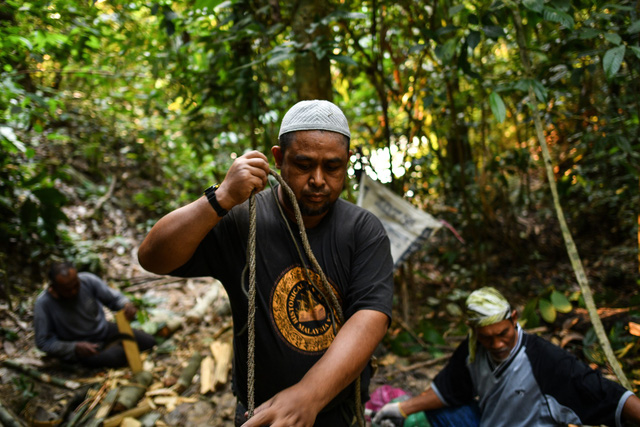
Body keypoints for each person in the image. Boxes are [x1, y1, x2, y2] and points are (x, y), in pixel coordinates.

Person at [138, 99, 394, 426]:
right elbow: (153, 257)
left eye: (332, 167)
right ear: (278, 158)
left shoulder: (362, 230)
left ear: (346, 162)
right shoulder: (242, 219)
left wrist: (309, 395)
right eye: (303, 165)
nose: (318, 180)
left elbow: (370, 315)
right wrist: (222, 198)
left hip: (336, 411)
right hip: (258, 413)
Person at [373, 286, 640, 427]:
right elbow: (448, 389)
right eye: (486, 337)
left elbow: (606, 393)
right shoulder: (473, 348)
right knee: (430, 414)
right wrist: (400, 408)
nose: (497, 344)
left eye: (503, 333)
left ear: (514, 319)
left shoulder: (543, 358)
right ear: (474, 331)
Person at [34, 261, 156, 369]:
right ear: (53, 289)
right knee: (119, 357)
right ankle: (115, 349)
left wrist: (125, 305)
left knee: (148, 341)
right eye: (67, 289)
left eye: (76, 285)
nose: (74, 291)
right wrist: (73, 347)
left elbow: (114, 299)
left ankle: (116, 345)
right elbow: (43, 342)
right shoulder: (44, 304)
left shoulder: (87, 280)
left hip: (105, 330)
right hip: (83, 347)